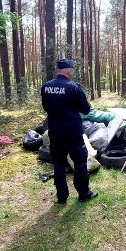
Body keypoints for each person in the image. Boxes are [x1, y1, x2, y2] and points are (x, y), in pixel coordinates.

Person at [41, 58, 98, 204]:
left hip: (55, 132)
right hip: (73, 133)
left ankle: (61, 197)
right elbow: (85, 109)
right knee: (80, 163)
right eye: (72, 71)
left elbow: (46, 108)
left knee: (59, 164)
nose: (72, 73)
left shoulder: (46, 87)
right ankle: (83, 193)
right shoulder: (73, 87)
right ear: (69, 70)